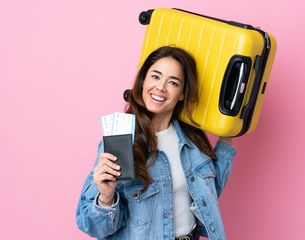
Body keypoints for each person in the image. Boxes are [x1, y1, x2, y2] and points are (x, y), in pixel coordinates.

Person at [76, 46, 236, 240]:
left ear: (182, 94)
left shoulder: (192, 140)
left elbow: (209, 195)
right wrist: (106, 198)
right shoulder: (122, 140)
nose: (161, 87)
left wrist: (229, 136)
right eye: (155, 76)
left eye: (173, 82)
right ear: (143, 81)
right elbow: (92, 227)